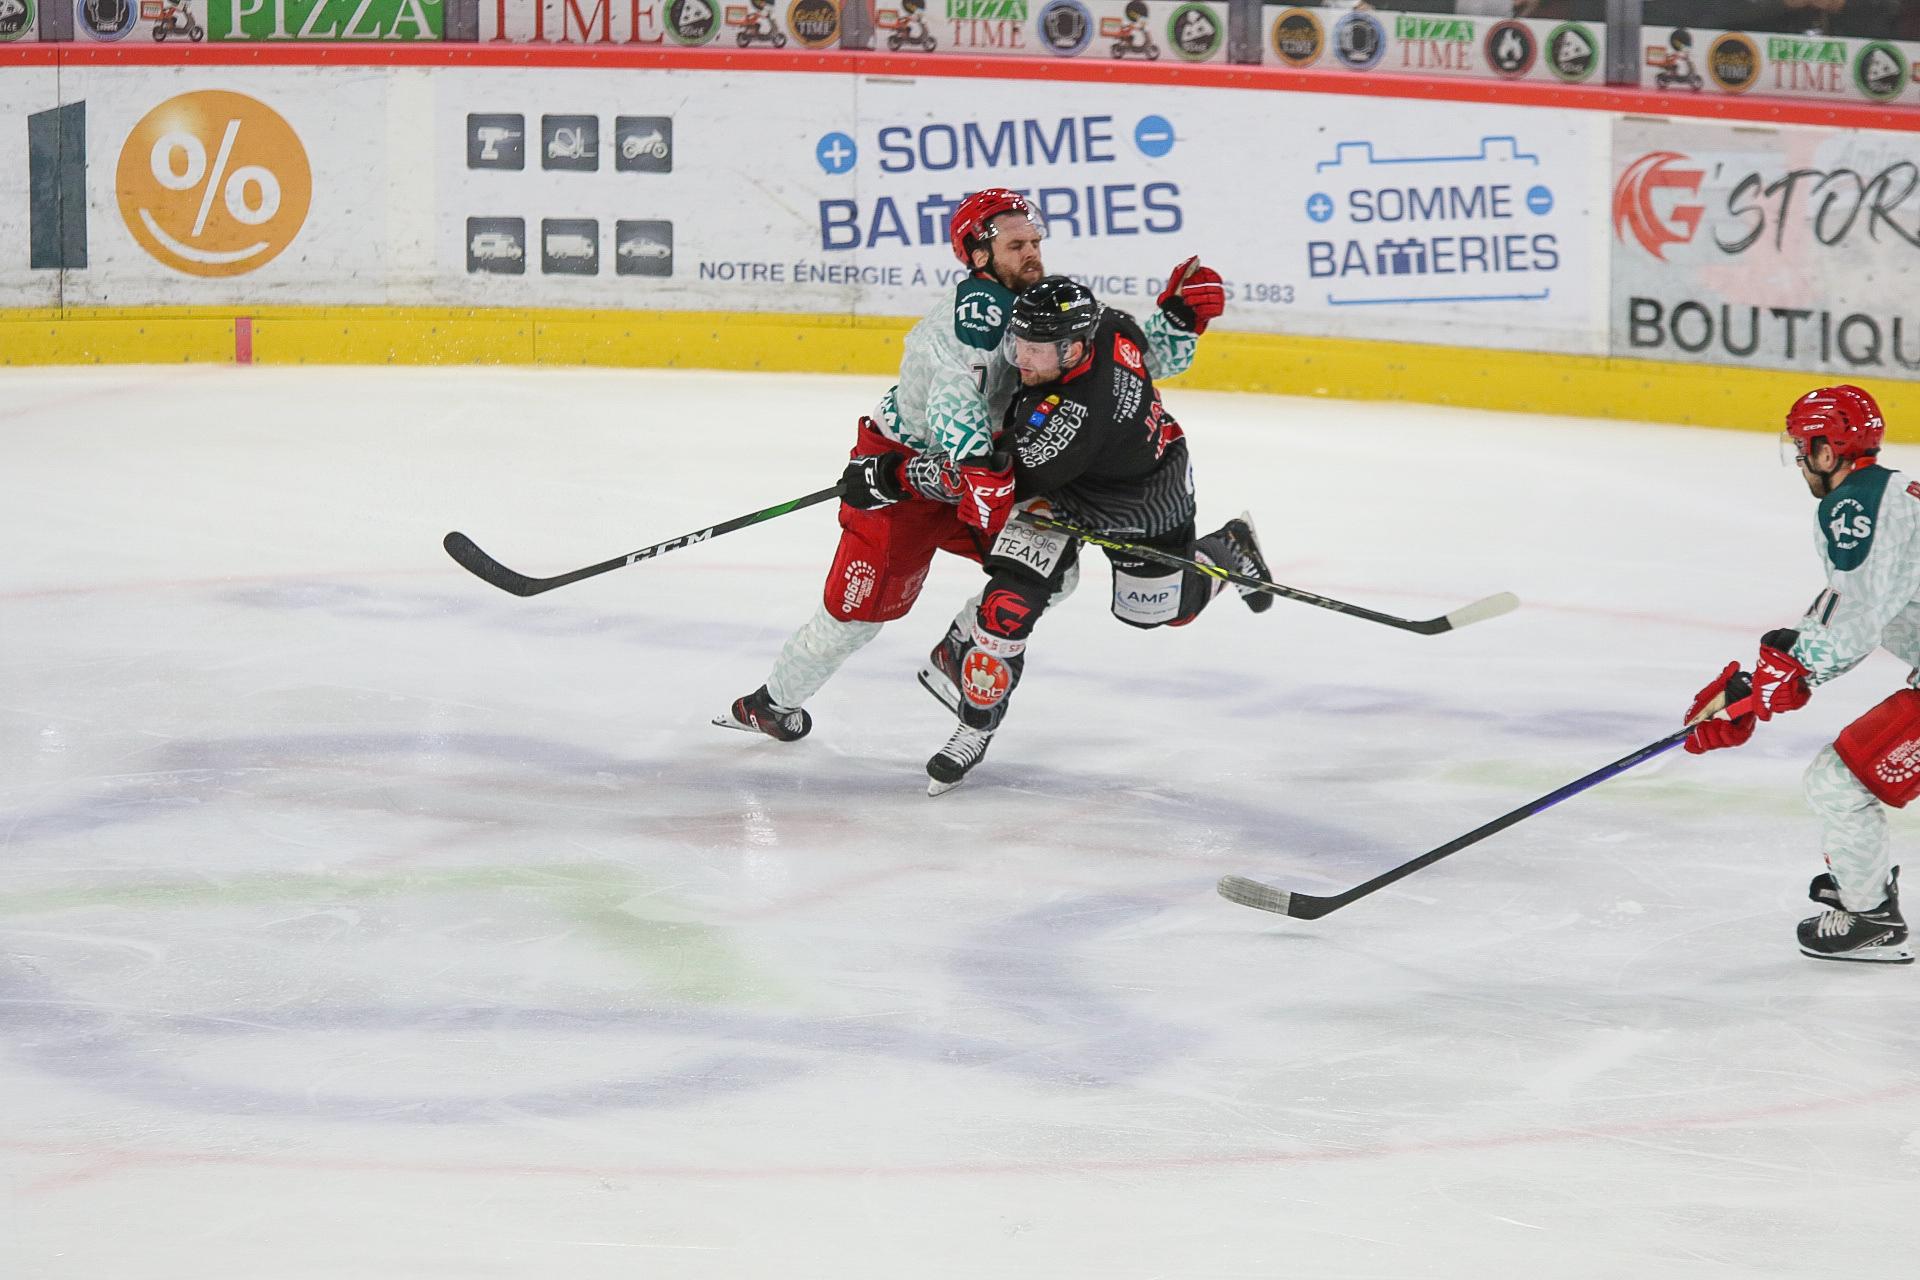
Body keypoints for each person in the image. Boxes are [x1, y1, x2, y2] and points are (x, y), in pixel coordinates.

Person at [717, 191, 1226, 745]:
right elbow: (952, 406)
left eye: (1034, 242)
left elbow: (1125, 362)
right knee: (855, 619)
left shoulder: (1044, 306)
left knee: (1050, 575)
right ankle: (773, 704)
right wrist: (960, 468)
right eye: (1016, 245)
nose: (1032, 253)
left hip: (996, 471)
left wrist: (1179, 321)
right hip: (903, 474)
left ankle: (961, 645)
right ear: (979, 255)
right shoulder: (955, 330)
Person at [922, 274, 1267, 795]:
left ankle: (1228, 549)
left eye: (1036, 348)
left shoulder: (1069, 420)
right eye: (1019, 341)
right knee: (1009, 603)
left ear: (1073, 349)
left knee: (1156, 612)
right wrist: (1177, 321)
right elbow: (1146, 349)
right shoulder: (1106, 325)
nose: (1020, 358)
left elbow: (991, 485)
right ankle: (974, 726)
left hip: (1143, 495)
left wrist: (900, 476)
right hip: (1065, 488)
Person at [1683, 384, 1915, 965]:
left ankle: (1870, 919)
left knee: (1838, 783)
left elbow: (1856, 615)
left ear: (1827, 451)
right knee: (1842, 777)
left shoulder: (1853, 506)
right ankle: (1862, 882)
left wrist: (1780, 680)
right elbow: (1849, 605)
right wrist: (1763, 678)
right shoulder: (1888, 494)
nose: (1799, 460)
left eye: (1802, 448)